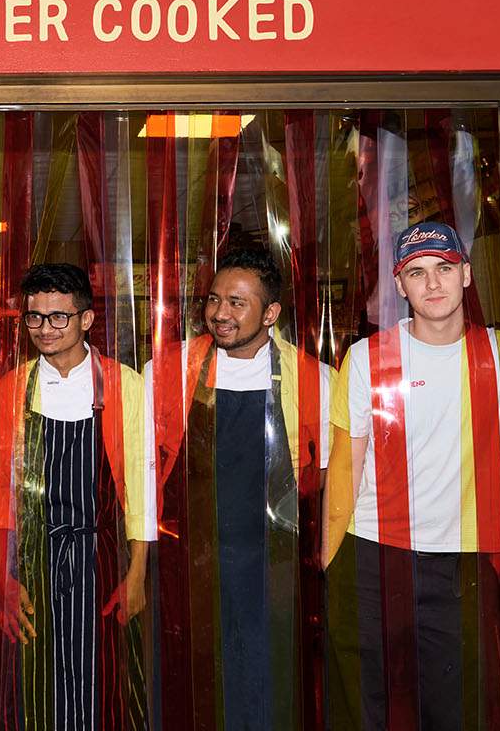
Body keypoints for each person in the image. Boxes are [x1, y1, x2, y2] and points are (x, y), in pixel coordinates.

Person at [322, 221, 500, 731]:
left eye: (445, 269)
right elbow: (345, 463)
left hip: (463, 558)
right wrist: (330, 561)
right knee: (365, 707)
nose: (433, 284)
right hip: (373, 553)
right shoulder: (365, 358)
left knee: (462, 708)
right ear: (400, 285)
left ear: (467, 275)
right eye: (417, 273)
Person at [149, 246, 334, 731]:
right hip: (188, 563)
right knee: (191, 686)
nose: (219, 314)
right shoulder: (168, 372)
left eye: (236, 303)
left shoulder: (315, 381)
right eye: (213, 301)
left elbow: (333, 482)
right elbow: (144, 468)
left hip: (274, 569)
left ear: (270, 313)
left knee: (267, 688)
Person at [0, 262, 156, 730]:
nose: (44, 328)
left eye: (58, 316)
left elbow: (141, 489)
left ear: (86, 320)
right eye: (34, 317)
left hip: (101, 560)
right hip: (32, 560)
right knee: (32, 688)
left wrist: (137, 575)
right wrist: (5, 581)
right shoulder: (12, 389)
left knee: (103, 686)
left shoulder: (125, 385)